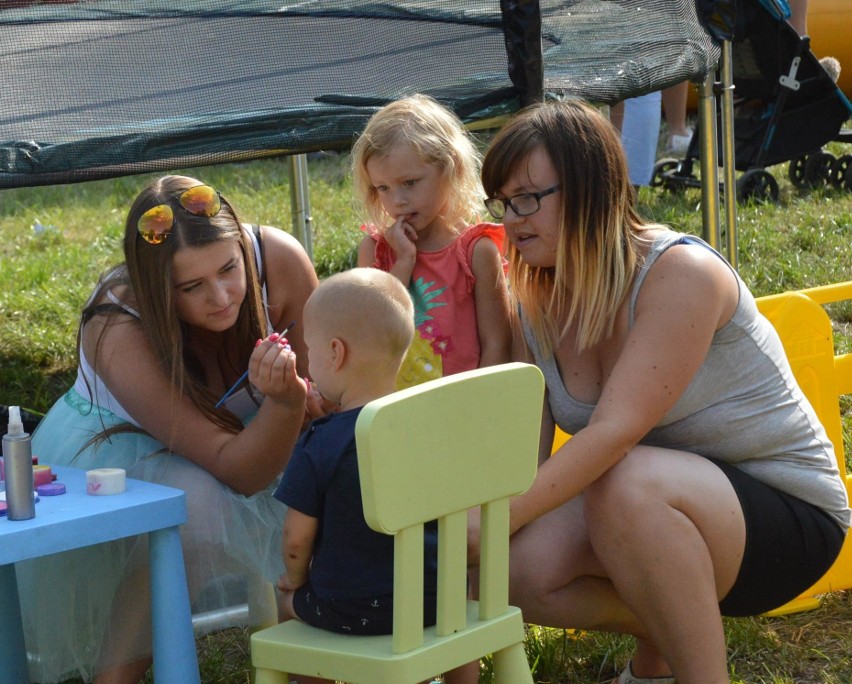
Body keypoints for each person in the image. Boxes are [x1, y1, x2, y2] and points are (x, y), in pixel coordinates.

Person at [476, 99, 849, 684]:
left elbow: (615, 432)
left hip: (789, 514)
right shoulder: (536, 303)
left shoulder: (678, 272)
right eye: (503, 203)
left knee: (623, 480)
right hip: (668, 505)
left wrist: (488, 524)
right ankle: (661, 649)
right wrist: (485, 528)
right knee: (516, 570)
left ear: (590, 190)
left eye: (528, 198)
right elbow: (531, 460)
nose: (513, 219)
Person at [18, 175, 319, 684]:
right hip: (121, 448)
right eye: (191, 286)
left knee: (328, 472)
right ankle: (116, 675)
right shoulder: (117, 322)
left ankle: (315, 658)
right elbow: (237, 471)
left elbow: (329, 402)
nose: (222, 296)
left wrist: (311, 405)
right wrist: (288, 402)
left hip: (250, 435)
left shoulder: (278, 261)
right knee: (194, 504)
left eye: (229, 268)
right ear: (159, 288)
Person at [273, 268, 480, 684]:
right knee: (444, 606)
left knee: (289, 607)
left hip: (352, 609)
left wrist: (293, 582)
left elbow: (296, 541)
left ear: (336, 353)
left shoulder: (320, 441)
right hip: (442, 603)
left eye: (310, 352)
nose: (310, 364)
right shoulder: (432, 428)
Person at [354, 93, 512, 389]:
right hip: (397, 412)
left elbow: (498, 344)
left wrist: (478, 405)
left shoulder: (476, 250)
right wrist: (403, 263)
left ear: (450, 168)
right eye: (383, 188)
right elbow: (373, 335)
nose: (397, 201)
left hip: (463, 409)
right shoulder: (375, 251)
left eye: (410, 183)